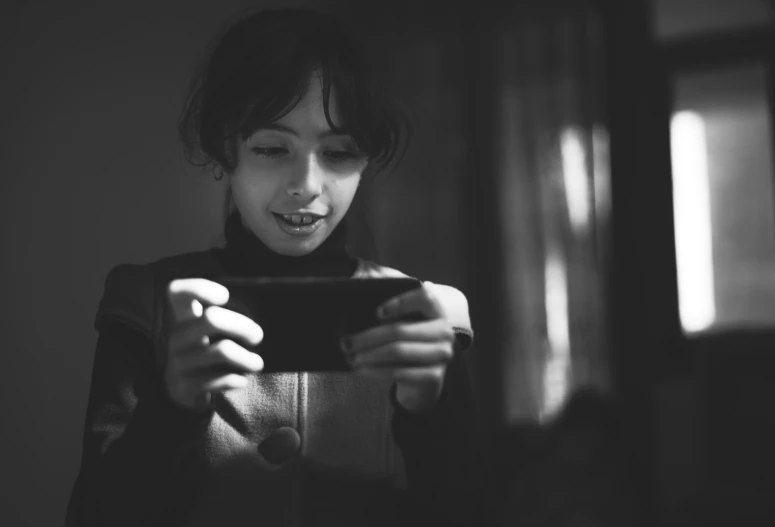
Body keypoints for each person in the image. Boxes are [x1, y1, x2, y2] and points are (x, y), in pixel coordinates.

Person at [65, 7, 490, 527]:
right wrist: (171, 408)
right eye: (271, 147)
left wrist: (431, 415)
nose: (307, 184)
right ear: (226, 147)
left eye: (339, 152)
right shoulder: (146, 306)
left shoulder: (427, 317)